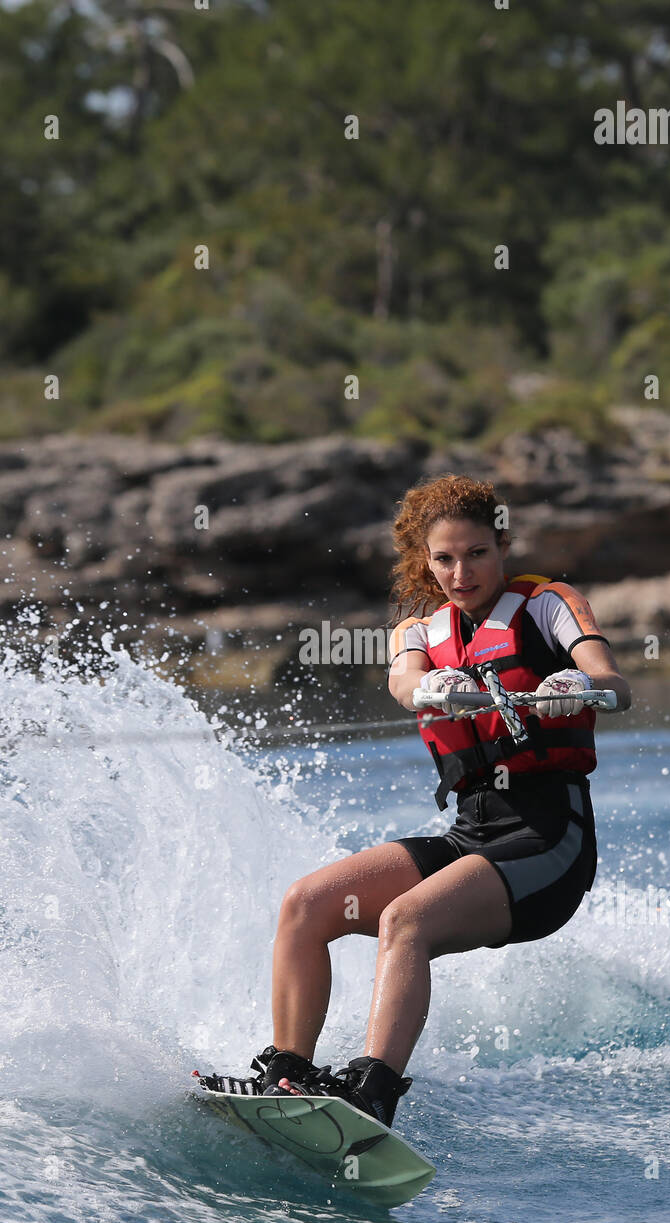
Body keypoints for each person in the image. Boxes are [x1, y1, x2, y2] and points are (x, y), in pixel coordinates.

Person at [201, 475, 631, 1128]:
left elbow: (612, 680)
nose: (462, 572)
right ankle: (288, 1076)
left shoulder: (547, 604)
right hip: (471, 833)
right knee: (306, 904)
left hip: (549, 841)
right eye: (445, 559)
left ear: (502, 543)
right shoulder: (417, 632)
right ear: (424, 562)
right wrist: (430, 689)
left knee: (405, 920)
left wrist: (581, 682)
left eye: (477, 553)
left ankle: (370, 1095)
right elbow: (404, 682)